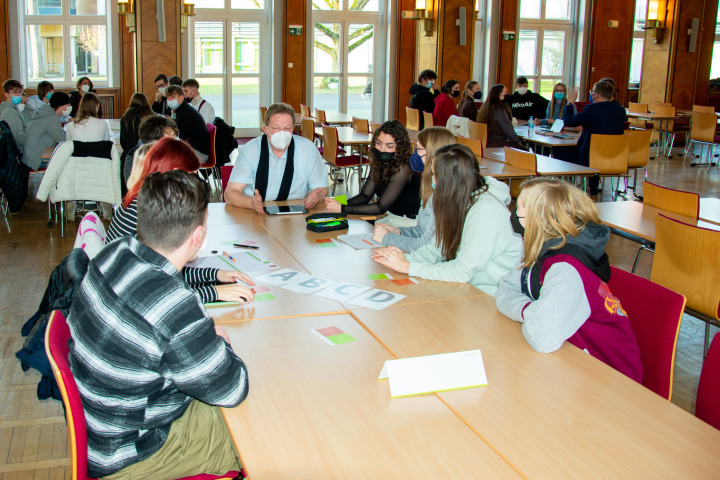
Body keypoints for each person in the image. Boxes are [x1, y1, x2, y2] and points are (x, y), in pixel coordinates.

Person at [67, 170, 249, 479]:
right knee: (256, 430)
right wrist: (222, 345)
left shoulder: (115, 251)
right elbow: (233, 388)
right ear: (199, 236)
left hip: (106, 426)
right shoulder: (175, 307)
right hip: (133, 455)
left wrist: (198, 338)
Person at [495, 178, 643, 382]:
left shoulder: (566, 268)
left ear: (538, 220)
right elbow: (506, 287)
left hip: (610, 379)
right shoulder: (543, 245)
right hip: (571, 356)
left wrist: (531, 314)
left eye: (518, 209)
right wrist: (532, 312)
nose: (513, 216)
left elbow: (542, 337)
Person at [106, 137, 255, 305]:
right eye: (191, 177)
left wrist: (214, 274)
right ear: (175, 173)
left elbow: (168, 271)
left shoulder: (145, 200)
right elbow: (156, 296)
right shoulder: (146, 212)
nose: (193, 185)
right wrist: (212, 291)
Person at [371, 144, 522, 295]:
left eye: (435, 174)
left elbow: (462, 271)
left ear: (449, 181)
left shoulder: (484, 211)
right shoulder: (456, 201)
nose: (433, 179)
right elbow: (437, 249)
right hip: (468, 288)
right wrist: (402, 258)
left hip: (491, 294)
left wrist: (408, 267)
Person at [225, 102, 328, 213]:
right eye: (276, 128)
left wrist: (316, 198)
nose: (282, 133)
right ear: (265, 129)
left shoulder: (308, 149)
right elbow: (230, 193)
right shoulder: (250, 150)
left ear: (293, 128)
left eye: (287, 128)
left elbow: (322, 188)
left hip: (295, 213)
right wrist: (251, 203)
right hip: (255, 214)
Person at [372, 126, 454, 251]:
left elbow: (429, 244)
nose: (414, 154)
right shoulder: (430, 185)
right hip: (411, 236)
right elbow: (421, 231)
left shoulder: (445, 193)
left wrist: (388, 238)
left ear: (433, 154)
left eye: (418, 149)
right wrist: (398, 232)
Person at [325, 120, 420, 226]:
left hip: (406, 223)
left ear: (400, 148)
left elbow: (380, 207)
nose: (382, 149)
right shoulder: (380, 162)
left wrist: (341, 208)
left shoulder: (403, 169)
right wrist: (338, 203)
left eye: (389, 146)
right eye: (378, 144)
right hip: (390, 217)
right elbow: (365, 196)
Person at [563, 80, 626, 200]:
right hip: (614, 158)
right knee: (596, 150)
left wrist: (570, 103)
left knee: (561, 154)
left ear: (596, 94)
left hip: (590, 159)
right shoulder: (620, 110)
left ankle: (567, 193)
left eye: (592, 92)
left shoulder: (592, 109)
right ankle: (593, 192)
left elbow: (568, 120)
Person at [122, 115, 178, 186]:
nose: (175, 139)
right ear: (156, 140)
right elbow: (135, 189)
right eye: (171, 135)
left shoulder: (172, 153)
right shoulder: (134, 157)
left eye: (175, 135)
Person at [20, 91, 69, 170]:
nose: (70, 106)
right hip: (36, 162)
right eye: (68, 104)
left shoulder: (45, 113)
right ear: (60, 106)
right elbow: (63, 140)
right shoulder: (51, 118)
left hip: (29, 159)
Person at [166, 85, 210, 163]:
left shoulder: (185, 113)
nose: (169, 100)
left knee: (167, 159)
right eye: (168, 97)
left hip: (199, 153)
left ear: (181, 97)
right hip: (193, 149)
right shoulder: (182, 110)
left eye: (173, 97)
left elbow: (177, 136)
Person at [477, 84, 525, 149]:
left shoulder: (485, 107)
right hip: (498, 143)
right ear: (499, 94)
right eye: (505, 92)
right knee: (524, 150)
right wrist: (518, 141)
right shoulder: (499, 109)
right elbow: (508, 129)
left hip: (486, 141)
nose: (507, 94)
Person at [0, 79, 35, 154]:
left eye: (20, 92)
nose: (18, 95)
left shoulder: (14, 108)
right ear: (6, 94)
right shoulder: (9, 112)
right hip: (21, 153)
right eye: (14, 92)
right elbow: (19, 137)